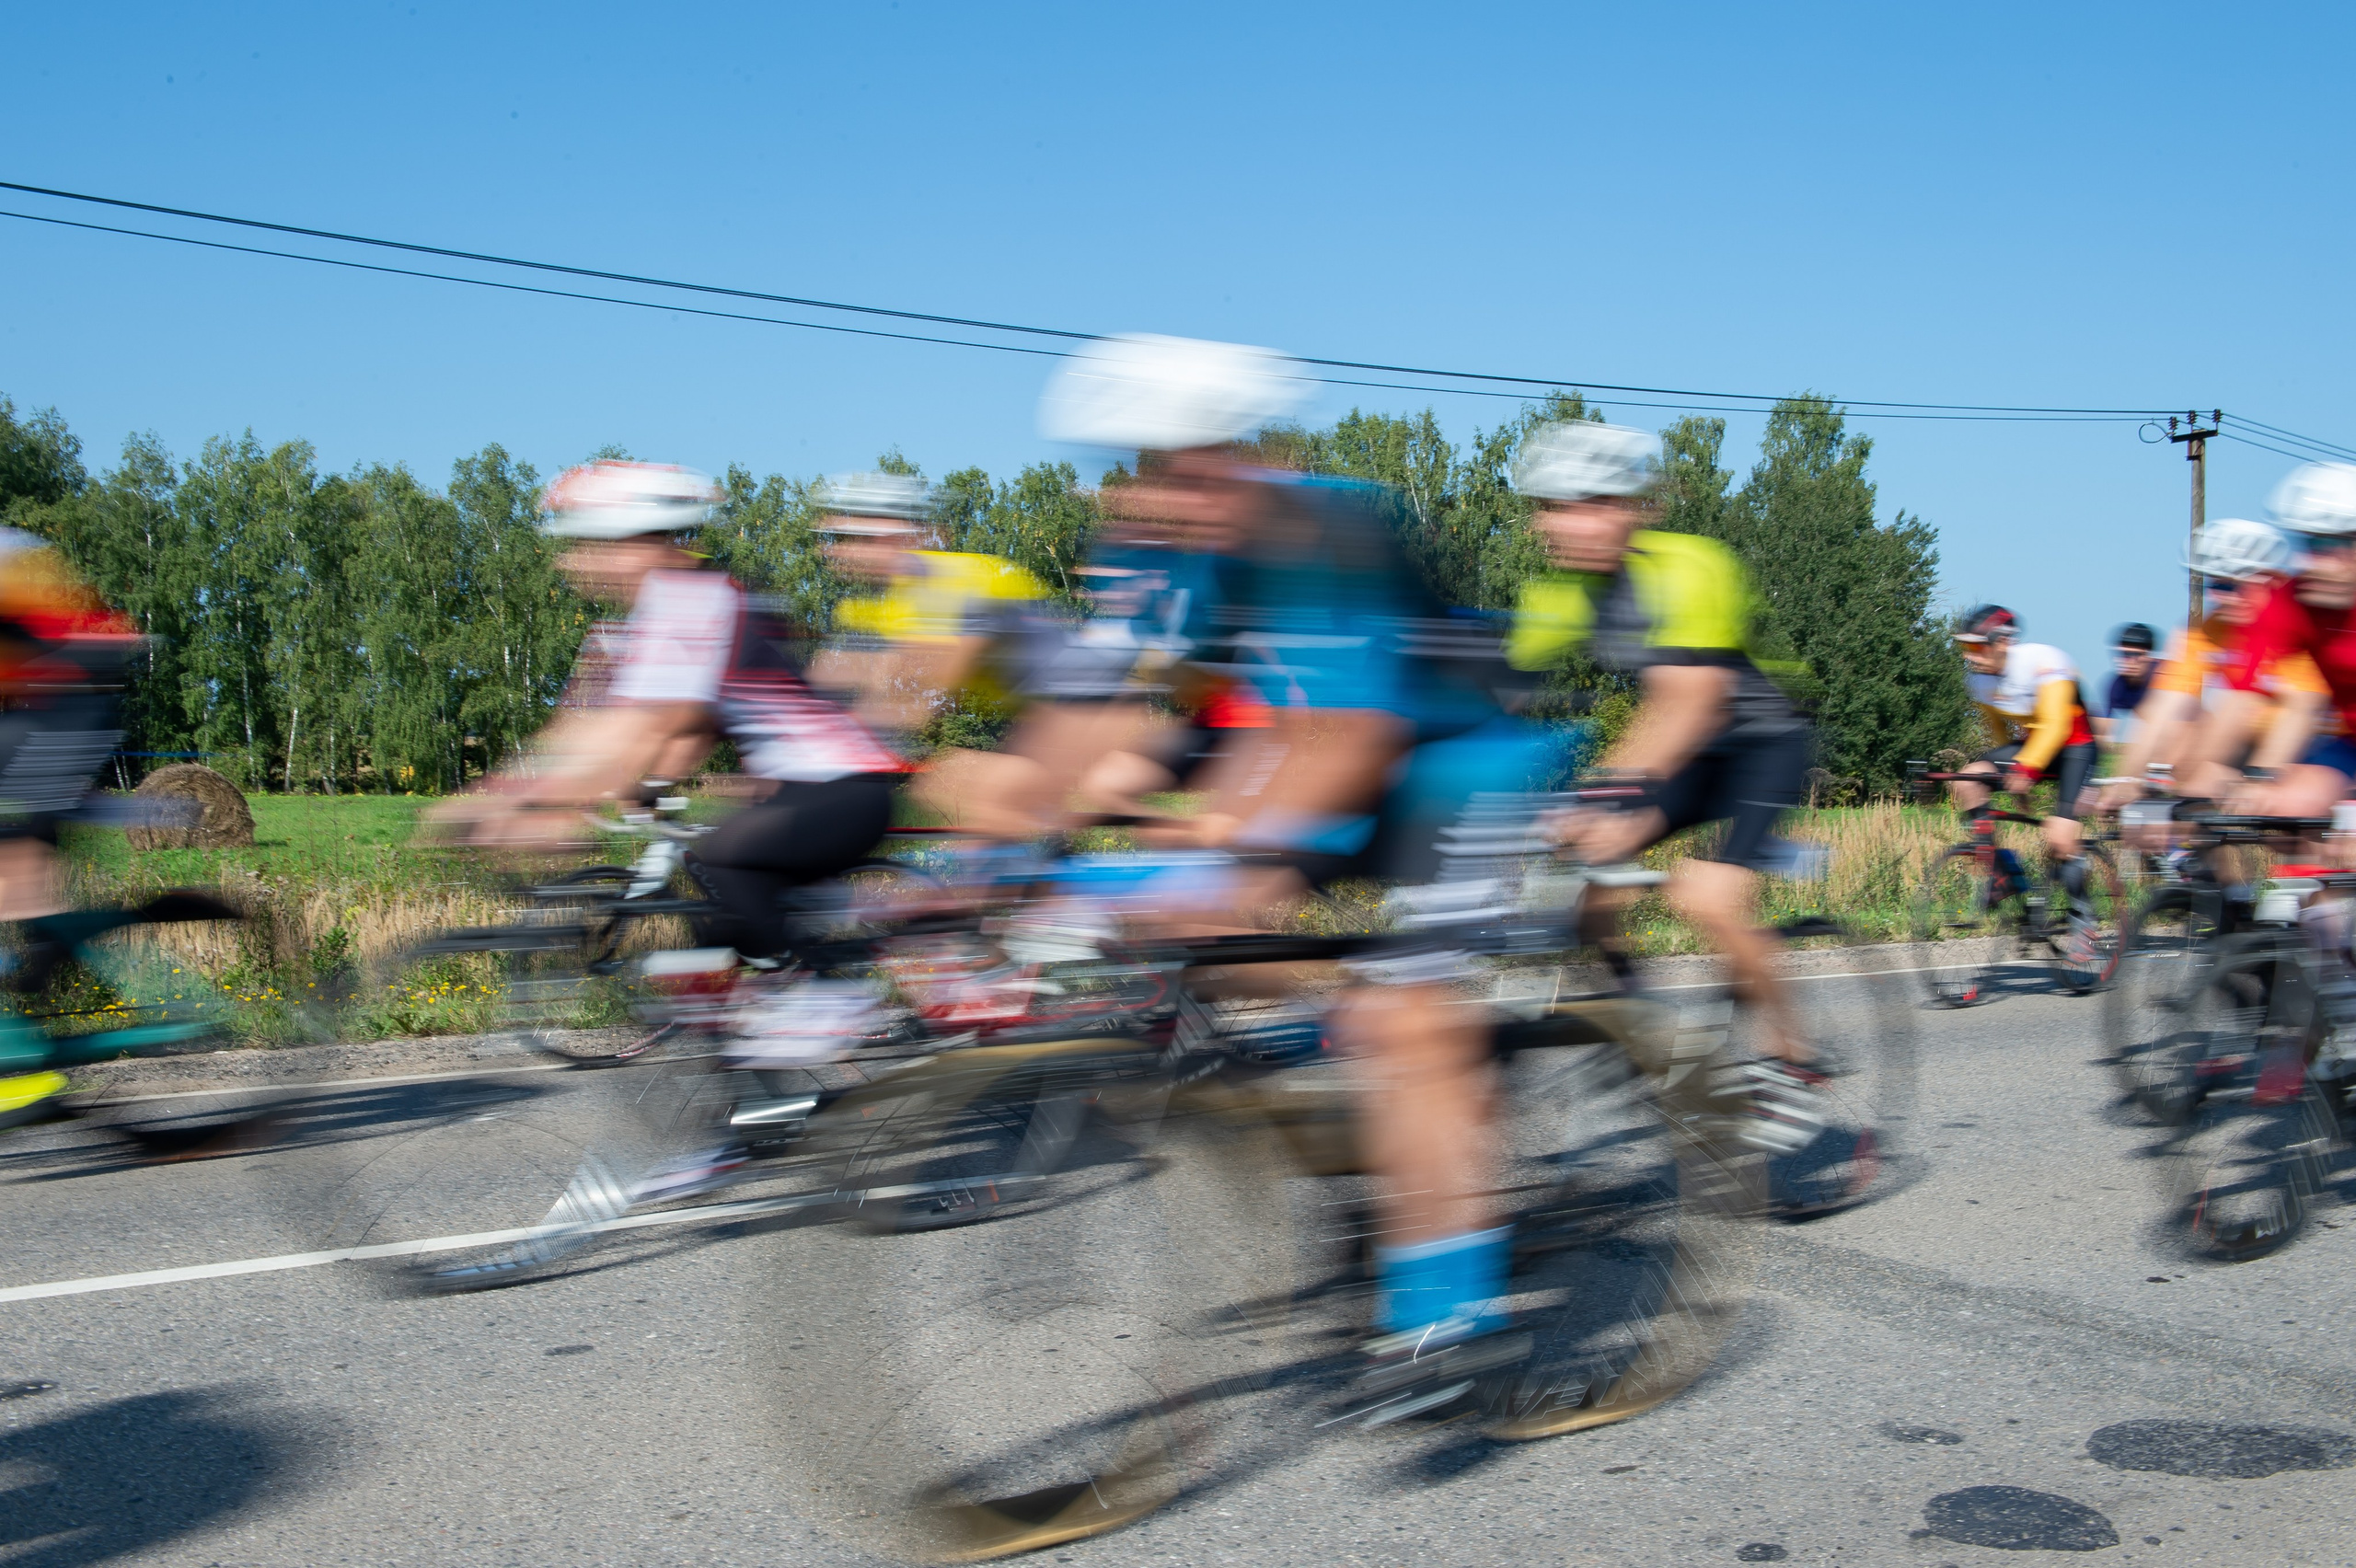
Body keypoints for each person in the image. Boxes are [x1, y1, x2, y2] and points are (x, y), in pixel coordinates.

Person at [433, 460, 905, 966]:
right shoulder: (667, 609)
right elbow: (678, 725)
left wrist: (533, 799)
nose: (571, 563)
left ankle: (823, 1001)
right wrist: (643, 784)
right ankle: (781, 988)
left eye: (588, 547)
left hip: (842, 787)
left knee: (723, 858)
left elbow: (644, 726)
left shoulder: (692, 602)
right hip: (806, 788)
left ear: (635, 544)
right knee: (725, 921)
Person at [1507, 421, 1819, 1078]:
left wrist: (1600, 796)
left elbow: (1686, 704)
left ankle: (1793, 1052)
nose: (1563, 525)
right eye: (1550, 507)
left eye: (1589, 506)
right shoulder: (1562, 593)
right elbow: (1494, 687)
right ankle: (1641, 1023)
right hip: (1691, 759)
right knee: (1586, 892)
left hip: (1761, 744)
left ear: (1629, 511)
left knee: (1704, 898)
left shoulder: (1690, 567)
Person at [2102, 520, 2327, 807]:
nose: (2222, 597)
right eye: (2215, 584)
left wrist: (2262, 779)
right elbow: (2163, 708)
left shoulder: (2294, 624)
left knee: (2293, 812)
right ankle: (2189, 846)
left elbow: (2300, 711)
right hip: (2246, 742)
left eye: (2234, 585)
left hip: (2310, 740)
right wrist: (2126, 780)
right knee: (2191, 784)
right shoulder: (2207, 630)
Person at [1946, 605, 2096, 911]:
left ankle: (2084, 919)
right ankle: (2002, 872)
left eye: (1976, 646)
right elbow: (1999, 732)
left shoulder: (2044, 662)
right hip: (2034, 747)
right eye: (1965, 646)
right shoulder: (1979, 682)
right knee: (1967, 780)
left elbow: (2057, 725)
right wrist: (2008, 774)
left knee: (2060, 837)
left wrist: (2026, 768)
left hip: (2075, 746)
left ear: (2002, 642)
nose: (1968, 655)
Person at [2096, 623, 2157, 747]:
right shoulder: (2116, 685)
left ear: (2149, 657)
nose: (2130, 661)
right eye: (2125, 655)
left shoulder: (2164, 678)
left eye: (2136, 655)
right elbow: (2104, 730)